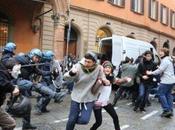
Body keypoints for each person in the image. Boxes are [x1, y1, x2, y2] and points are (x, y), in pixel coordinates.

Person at [64, 52, 110, 130]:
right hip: (76, 97)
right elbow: (65, 77)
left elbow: (102, 77)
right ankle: (71, 122)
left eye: (89, 62)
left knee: (84, 120)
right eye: (85, 61)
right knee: (72, 119)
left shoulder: (98, 68)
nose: (86, 63)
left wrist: (105, 81)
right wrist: (72, 73)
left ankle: (71, 121)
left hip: (89, 98)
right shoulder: (78, 67)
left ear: (94, 62)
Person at [90, 61, 130, 130]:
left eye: (109, 67)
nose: (107, 69)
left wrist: (125, 79)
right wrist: (100, 82)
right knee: (99, 122)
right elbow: (93, 89)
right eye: (106, 67)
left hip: (106, 102)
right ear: (103, 69)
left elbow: (118, 81)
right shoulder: (99, 77)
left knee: (115, 117)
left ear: (111, 69)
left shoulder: (111, 77)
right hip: (97, 103)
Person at [147, 48, 175, 118]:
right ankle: (170, 110)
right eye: (160, 51)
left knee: (160, 94)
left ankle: (166, 110)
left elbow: (159, 71)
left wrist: (150, 73)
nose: (160, 53)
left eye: (162, 52)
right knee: (168, 95)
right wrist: (160, 67)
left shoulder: (165, 60)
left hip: (166, 80)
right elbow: (165, 69)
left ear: (165, 53)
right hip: (171, 80)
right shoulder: (169, 60)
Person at [0, 58, 19, 130]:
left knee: (10, 124)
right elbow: (1, 82)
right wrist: (12, 88)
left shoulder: (4, 75)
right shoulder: (2, 74)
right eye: (17, 70)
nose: (19, 72)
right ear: (9, 70)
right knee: (10, 124)